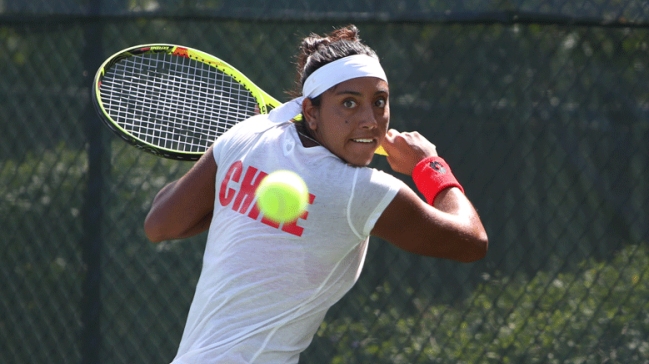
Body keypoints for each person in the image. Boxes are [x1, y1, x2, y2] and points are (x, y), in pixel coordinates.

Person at [144, 25, 488, 364]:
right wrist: (428, 165)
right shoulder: (361, 191)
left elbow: (159, 224)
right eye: (349, 103)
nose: (370, 120)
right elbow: (471, 241)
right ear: (310, 111)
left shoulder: (249, 135)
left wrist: (229, 170)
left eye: (379, 102)